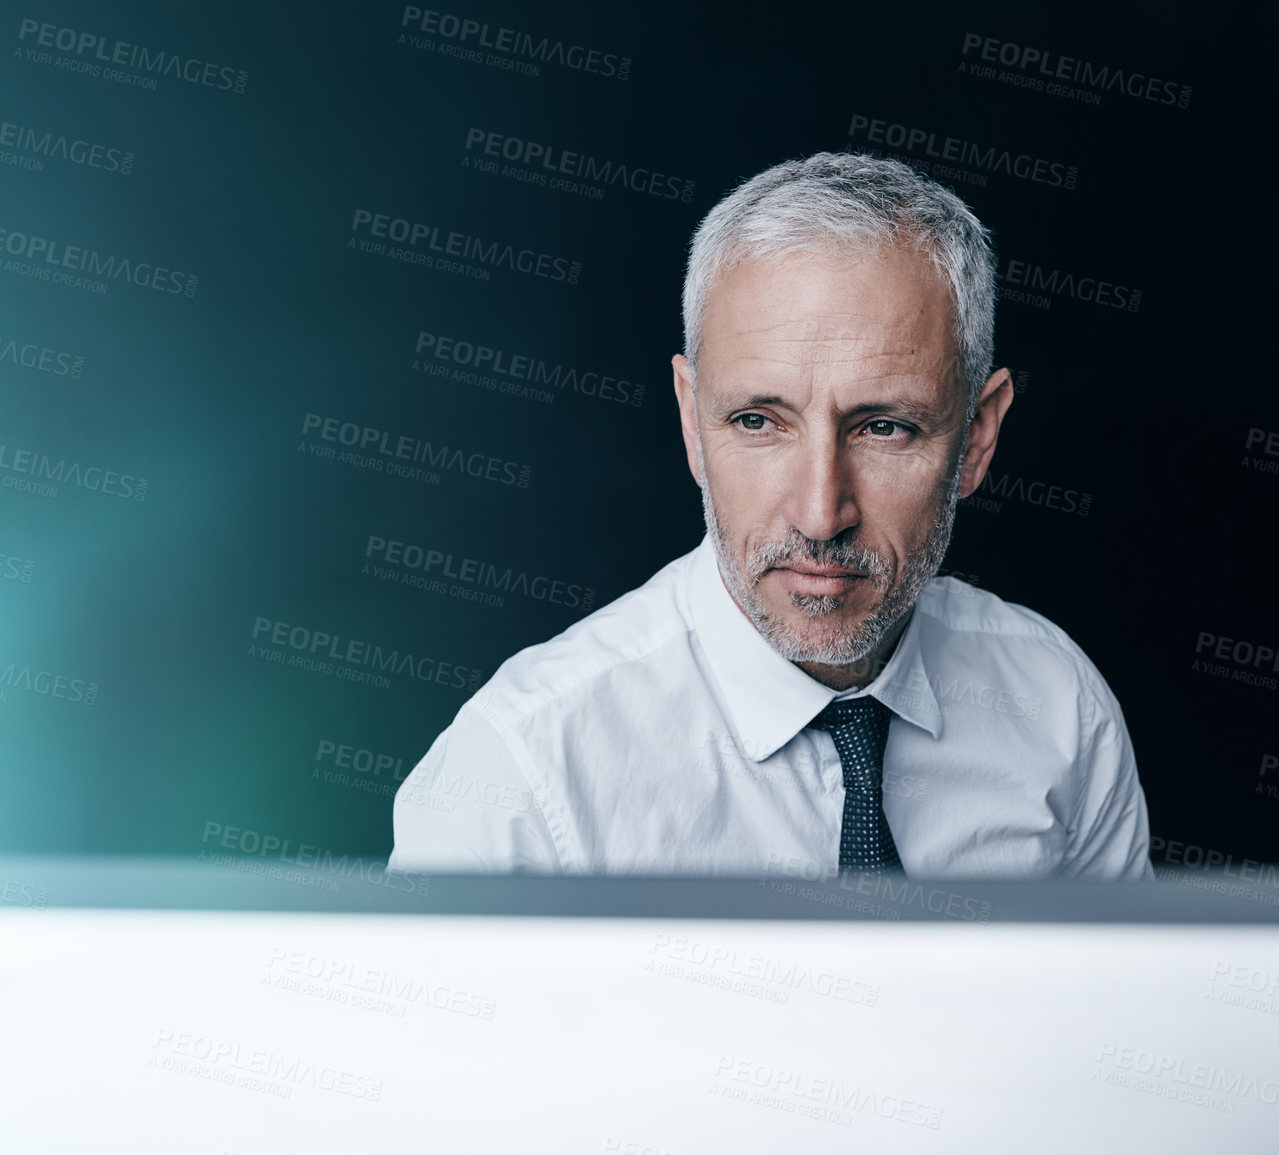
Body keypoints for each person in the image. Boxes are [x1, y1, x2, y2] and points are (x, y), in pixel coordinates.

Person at [388, 151, 1152, 880]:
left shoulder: (1058, 709)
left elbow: (1124, 1017)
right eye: (757, 421)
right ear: (692, 420)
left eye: (884, 427)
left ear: (977, 437)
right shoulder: (520, 775)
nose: (821, 515)